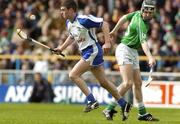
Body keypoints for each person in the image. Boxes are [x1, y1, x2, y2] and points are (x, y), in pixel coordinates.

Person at [51, 0, 131, 121]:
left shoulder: (84, 19)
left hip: (93, 50)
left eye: (63, 10)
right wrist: (61, 48)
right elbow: (72, 36)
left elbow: (104, 24)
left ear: (71, 10)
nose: (61, 13)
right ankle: (124, 104)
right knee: (103, 82)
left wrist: (108, 42)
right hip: (87, 52)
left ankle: (92, 101)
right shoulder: (69, 23)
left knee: (73, 75)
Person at [102, 0, 159, 121]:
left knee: (137, 83)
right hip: (125, 50)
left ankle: (142, 113)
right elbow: (144, 43)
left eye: (150, 12)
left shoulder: (137, 13)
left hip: (132, 51)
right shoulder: (142, 24)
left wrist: (115, 29)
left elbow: (124, 17)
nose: (147, 14)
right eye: (146, 12)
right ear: (143, 10)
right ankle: (109, 108)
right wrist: (150, 56)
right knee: (127, 83)